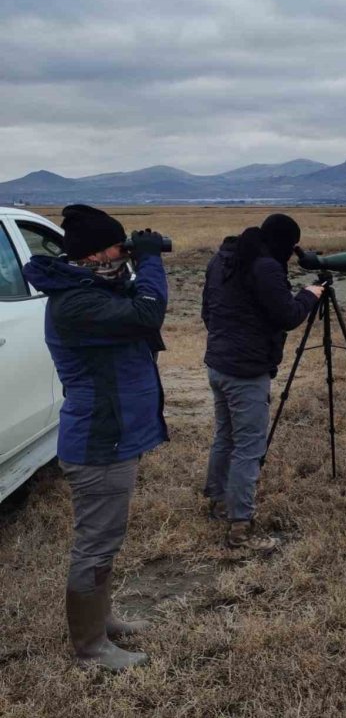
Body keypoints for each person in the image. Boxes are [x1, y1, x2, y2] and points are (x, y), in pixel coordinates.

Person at [23, 205, 168, 672]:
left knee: (106, 538)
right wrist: (149, 261)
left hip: (112, 436)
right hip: (99, 442)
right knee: (96, 543)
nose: (122, 253)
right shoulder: (77, 304)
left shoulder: (87, 287)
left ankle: (102, 621)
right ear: (93, 254)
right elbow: (148, 313)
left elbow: (132, 308)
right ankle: (90, 648)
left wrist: (132, 263)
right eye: (117, 246)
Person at [201, 213, 323, 551]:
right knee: (249, 446)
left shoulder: (224, 258)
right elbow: (287, 315)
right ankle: (240, 525)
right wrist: (310, 294)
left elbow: (207, 312)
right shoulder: (264, 267)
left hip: (219, 364)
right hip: (246, 370)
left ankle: (218, 500)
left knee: (225, 435)